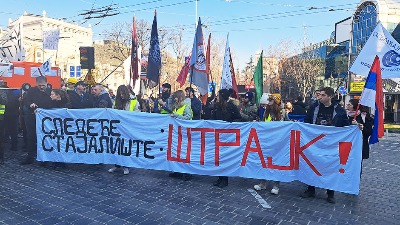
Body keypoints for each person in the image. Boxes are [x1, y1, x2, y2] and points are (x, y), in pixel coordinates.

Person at [300, 87, 350, 203]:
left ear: (330, 96)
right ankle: (311, 189)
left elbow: (345, 126)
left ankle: (330, 192)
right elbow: (307, 122)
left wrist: (355, 127)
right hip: (315, 143)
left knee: (330, 166)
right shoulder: (314, 107)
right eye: (319, 95)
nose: (320, 97)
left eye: (323, 95)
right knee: (312, 165)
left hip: (331, 144)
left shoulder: (339, 110)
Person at [254, 93, 288, 195]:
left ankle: (276, 185)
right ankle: (263, 183)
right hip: (267, 140)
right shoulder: (266, 111)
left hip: (278, 142)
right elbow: (264, 123)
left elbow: (287, 124)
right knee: (264, 162)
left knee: (276, 163)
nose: (268, 102)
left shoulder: (283, 112)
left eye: (270, 100)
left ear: (276, 102)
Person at [108, 85, 141, 175]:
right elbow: (113, 112)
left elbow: (137, 113)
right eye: (120, 94)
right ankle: (117, 165)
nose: (121, 95)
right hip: (118, 127)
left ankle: (126, 165)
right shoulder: (116, 101)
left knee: (126, 146)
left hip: (128, 128)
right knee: (117, 146)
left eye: (123, 93)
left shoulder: (134, 101)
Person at [212, 89, 242, 188]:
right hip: (218, 134)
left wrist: (229, 124)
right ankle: (220, 177)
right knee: (218, 158)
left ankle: (225, 179)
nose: (217, 97)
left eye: (218, 95)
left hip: (227, 135)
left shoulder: (231, 106)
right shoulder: (216, 106)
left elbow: (238, 117)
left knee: (224, 157)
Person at [20, 76, 53, 165]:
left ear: (46, 83)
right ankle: (30, 157)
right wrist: (30, 104)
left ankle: (44, 158)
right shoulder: (31, 91)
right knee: (31, 137)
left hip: (45, 119)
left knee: (45, 137)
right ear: (36, 84)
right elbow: (26, 101)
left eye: (43, 85)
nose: (41, 87)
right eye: (39, 86)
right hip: (32, 117)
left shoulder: (50, 91)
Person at [168, 90, 193, 180]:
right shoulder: (176, 106)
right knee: (176, 152)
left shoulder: (186, 106)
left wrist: (176, 116)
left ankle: (187, 173)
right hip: (177, 133)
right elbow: (169, 105)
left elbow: (188, 117)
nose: (174, 99)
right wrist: (171, 96)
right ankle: (177, 171)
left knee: (184, 153)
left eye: (175, 97)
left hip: (185, 133)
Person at [346, 99, 373, 173]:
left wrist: (362, 128)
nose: (347, 106)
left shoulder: (364, 116)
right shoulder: (345, 115)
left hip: (359, 145)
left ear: (355, 106)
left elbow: (369, 132)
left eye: (349, 104)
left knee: (357, 167)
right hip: (347, 145)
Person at [0, 81, 8, 163]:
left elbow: (5, 102)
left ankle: (1, 157)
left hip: (1, 118)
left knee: (1, 139)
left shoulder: (2, 91)